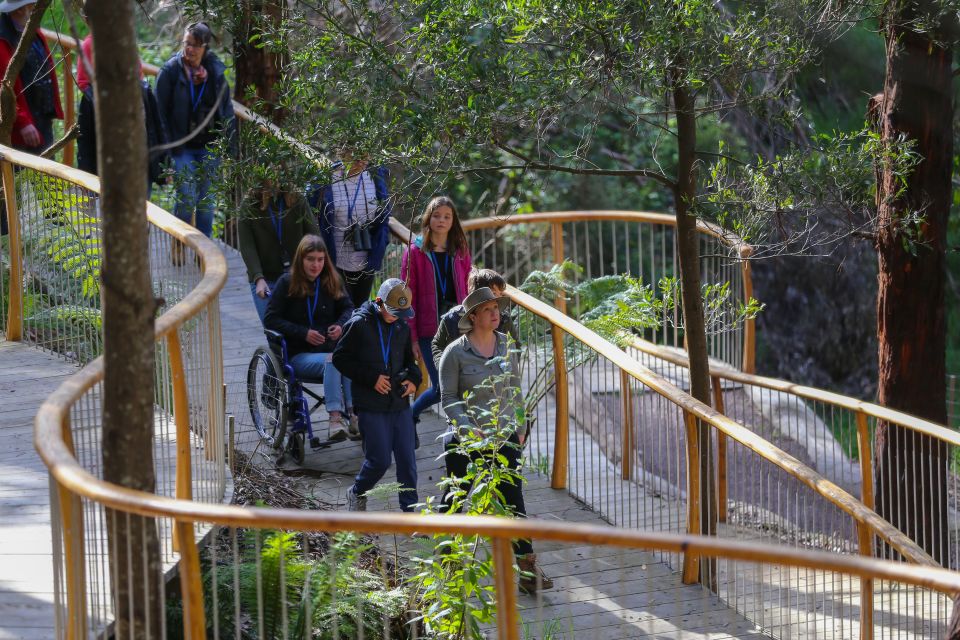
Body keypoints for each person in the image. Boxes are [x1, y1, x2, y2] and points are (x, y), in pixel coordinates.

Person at [438, 287, 553, 594]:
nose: (495, 313)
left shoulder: (506, 345)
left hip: (504, 438)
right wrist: (466, 426)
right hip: (466, 440)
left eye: (496, 308)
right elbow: (447, 398)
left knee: (514, 502)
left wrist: (521, 424)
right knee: (456, 499)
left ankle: (528, 573)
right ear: (472, 317)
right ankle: (447, 565)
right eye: (488, 309)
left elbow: (514, 387)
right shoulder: (454, 353)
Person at [332, 278, 421, 512]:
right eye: (392, 311)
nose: (396, 317)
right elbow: (340, 359)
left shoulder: (402, 327)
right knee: (380, 461)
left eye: (401, 313)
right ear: (378, 301)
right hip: (370, 404)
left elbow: (409, 364)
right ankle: (357, 491)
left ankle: (410, 510)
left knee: (407, 461)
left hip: (399, 403)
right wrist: (371, 379)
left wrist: (414, 380)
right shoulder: (359, 324)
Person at [264, 235, 356, 441]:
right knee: (336, 361)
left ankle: (353, 413)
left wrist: (340, 326)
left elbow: (349, 308)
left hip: (331, 347)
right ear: (300, 259)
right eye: (311, 259)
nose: (316, 265)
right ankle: (334, 418)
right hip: (299, 354)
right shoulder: (286, 282)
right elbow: (271, 319)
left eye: (320, 259)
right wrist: (303, 332)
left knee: (350, 357)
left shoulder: (332, 280)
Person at [400, 196, 472, 442]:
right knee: (442, 388)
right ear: (428, 219)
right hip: (429, 329)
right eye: (436, 215)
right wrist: (412, 338)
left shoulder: (460, 251)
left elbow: (469, 287)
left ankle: (456, 432)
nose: (441, 220)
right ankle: (411, 415)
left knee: (460, 383)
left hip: (459, 326)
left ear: (453, 222)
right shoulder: (415, 252)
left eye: (447, 216)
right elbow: (407, 297)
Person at [155, 22, 236, 238]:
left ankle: (204, 254)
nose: (189, 49)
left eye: (195, 45)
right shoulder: (170, 72)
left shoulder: (215, 74)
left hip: (209, 147)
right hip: (181, 148)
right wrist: (166, 149)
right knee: (187, 198)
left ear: (205, 48)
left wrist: (231, 147)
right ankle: (179, 243)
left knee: (206, 204)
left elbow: (226, 110)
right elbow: (158, 113)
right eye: (186, 43)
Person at [312, 150, 392, 307]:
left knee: (360, 310)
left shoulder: (375, 175)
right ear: (342, 151)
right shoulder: (327, 177)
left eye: (364, 153)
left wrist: (383, 241)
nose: (360, 158)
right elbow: (313, 213)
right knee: (343, 311)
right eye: (354, 151)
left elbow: (385, 213)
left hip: (367, 257)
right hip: (336, 260)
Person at [238, 183, 320, 324]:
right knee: (274, 333)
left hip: (297, 277)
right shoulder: (249, 204)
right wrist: (258, 278)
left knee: (301, 329)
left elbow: (314, 237)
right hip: (266, 280)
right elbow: (247, 247)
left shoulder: (297, 198)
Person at [0, 0, 63, 153]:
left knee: (46, 169)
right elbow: (3, 86)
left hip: (40, 116)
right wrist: (22, 121)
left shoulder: (30, 28)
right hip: (21, 127)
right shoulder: (2, 39)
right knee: (23, 173)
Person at [431, 268, 518, 369]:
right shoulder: (451, 319)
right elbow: (437, 345)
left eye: (500, 294)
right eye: (493, 293)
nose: (497, 299)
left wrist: (508, 370)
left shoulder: (504, 319)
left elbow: (515, 345)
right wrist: (445, 368)